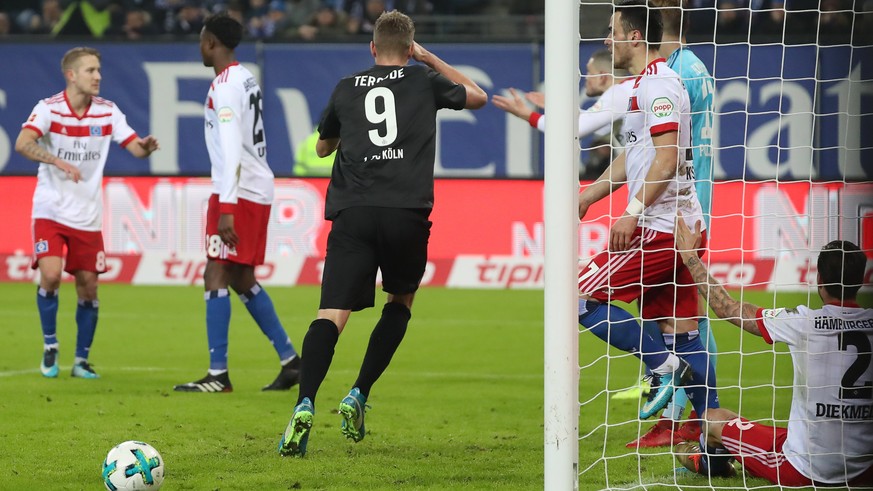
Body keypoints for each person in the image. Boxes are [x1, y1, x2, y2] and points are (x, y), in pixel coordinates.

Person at [278, 9, 486, 457]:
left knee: (330, 314)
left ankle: (305, 403)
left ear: (372, 48)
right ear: (410, 49)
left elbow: (321, 146)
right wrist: (429, 60)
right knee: (400, 302)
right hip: (405, 212)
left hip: (353, 212)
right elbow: (478, 96)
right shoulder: (423, 80)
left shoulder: (347, 86)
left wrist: (347, 138)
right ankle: (359, 392)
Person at [576, 0, 718, 422]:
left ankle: (662, 368)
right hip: (682, 221)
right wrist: (589, 196)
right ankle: (711, 432)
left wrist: (633, 211)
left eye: (613, 30)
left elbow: (667, 157)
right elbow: (636, 155)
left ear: (635, 36)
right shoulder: (654, 81)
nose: (607, 39)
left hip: (661, 223)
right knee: (682, 330)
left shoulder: (665, 81)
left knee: (578, 297)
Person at [672, 221, 873, 487]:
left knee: (712, 419)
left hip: (806, 468)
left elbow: (728, 308)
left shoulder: (803, 322)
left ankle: (708, 462)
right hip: (864, 468)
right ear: (861, 280)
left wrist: (690, 258)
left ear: (819, 280)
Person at [173, 12, 301, 394]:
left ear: (211, 43)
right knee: (242, 278)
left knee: (215, 273)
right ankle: (292, 362)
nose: (200, 46)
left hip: (238, 190)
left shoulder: (225, 87)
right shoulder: (246, 77)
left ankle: (218, 375)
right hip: (255, 186)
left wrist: (226, 205)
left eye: (201, 40)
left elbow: (230, 148)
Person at [15, 46, 160, 379]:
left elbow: (134, 147)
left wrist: (145, 147)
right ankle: (50, 345)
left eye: (99, 70)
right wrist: (56, 160)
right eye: (91, 70)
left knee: (88, 287)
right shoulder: (48, 109)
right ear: (71, 75)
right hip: (50, 209)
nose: (98, 76)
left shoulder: (107, 112)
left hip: (88, 215)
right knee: (50, 275)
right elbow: (23, 143)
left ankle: (81, 360)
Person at [625, 0, 719, 449]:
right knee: (670, 319)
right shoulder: (671, 69)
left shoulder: (681, 72)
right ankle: (684, 417)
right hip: (673, 204)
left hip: (680, 207)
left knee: (689, 323)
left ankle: (698, 417)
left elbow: (670, 149)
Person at [491, 48, 633, 179]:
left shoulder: (618, 93)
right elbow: (591, 119)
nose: (586, 78)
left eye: (589, 72)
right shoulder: (627, 91)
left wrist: (526, 114)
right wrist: (556, 108)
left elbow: (572, 130)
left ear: (602, 77)